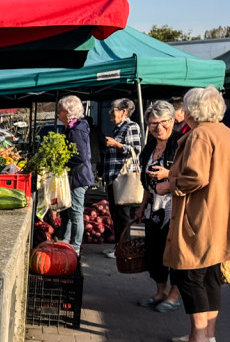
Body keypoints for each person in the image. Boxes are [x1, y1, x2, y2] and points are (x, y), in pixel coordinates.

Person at [153, 86, 230, 342]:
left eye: (184, 106)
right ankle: (207, 335)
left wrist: (168, 184)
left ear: (193, 110)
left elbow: (196, 176)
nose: (181, 111)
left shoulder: (201, 135)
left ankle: (198, 339)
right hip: (223, 216)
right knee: (210, 277)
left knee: (191, 275)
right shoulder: (227, 134)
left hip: (202, 216)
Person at [133, 101, 182, 312]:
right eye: (153, 123)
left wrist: (167, 175)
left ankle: (174, 296)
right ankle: (161, 291)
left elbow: (191, 175)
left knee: (174, 253)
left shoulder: (181, 144)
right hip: (154, 206)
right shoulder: (150, 147)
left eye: (163, 122)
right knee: (154, 251)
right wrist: (141, 206)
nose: (158, 127)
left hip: (175, 207)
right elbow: (146, 183)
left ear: (172, 121)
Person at [102, 98, 143, 259]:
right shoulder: (117, 129)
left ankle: (127, 249)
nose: (111, 113)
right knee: (116, 214)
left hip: (124, 178)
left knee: (124, 215)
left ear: (124, 111)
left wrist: (116, 145)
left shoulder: (131, 126)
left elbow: (136, 150)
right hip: (114, 178)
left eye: (113, 109)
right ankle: (119, 247)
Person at [55, 96, 94, 256]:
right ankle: (64, 240)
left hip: (78, 177)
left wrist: (63, 162)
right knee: (66, 210)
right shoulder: (71, 128)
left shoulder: (76, 130)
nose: (58, 113)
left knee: (76, 212)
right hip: (72, 177)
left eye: (60, 110)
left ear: (68, 111)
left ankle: (76, 246)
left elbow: (80, 156)